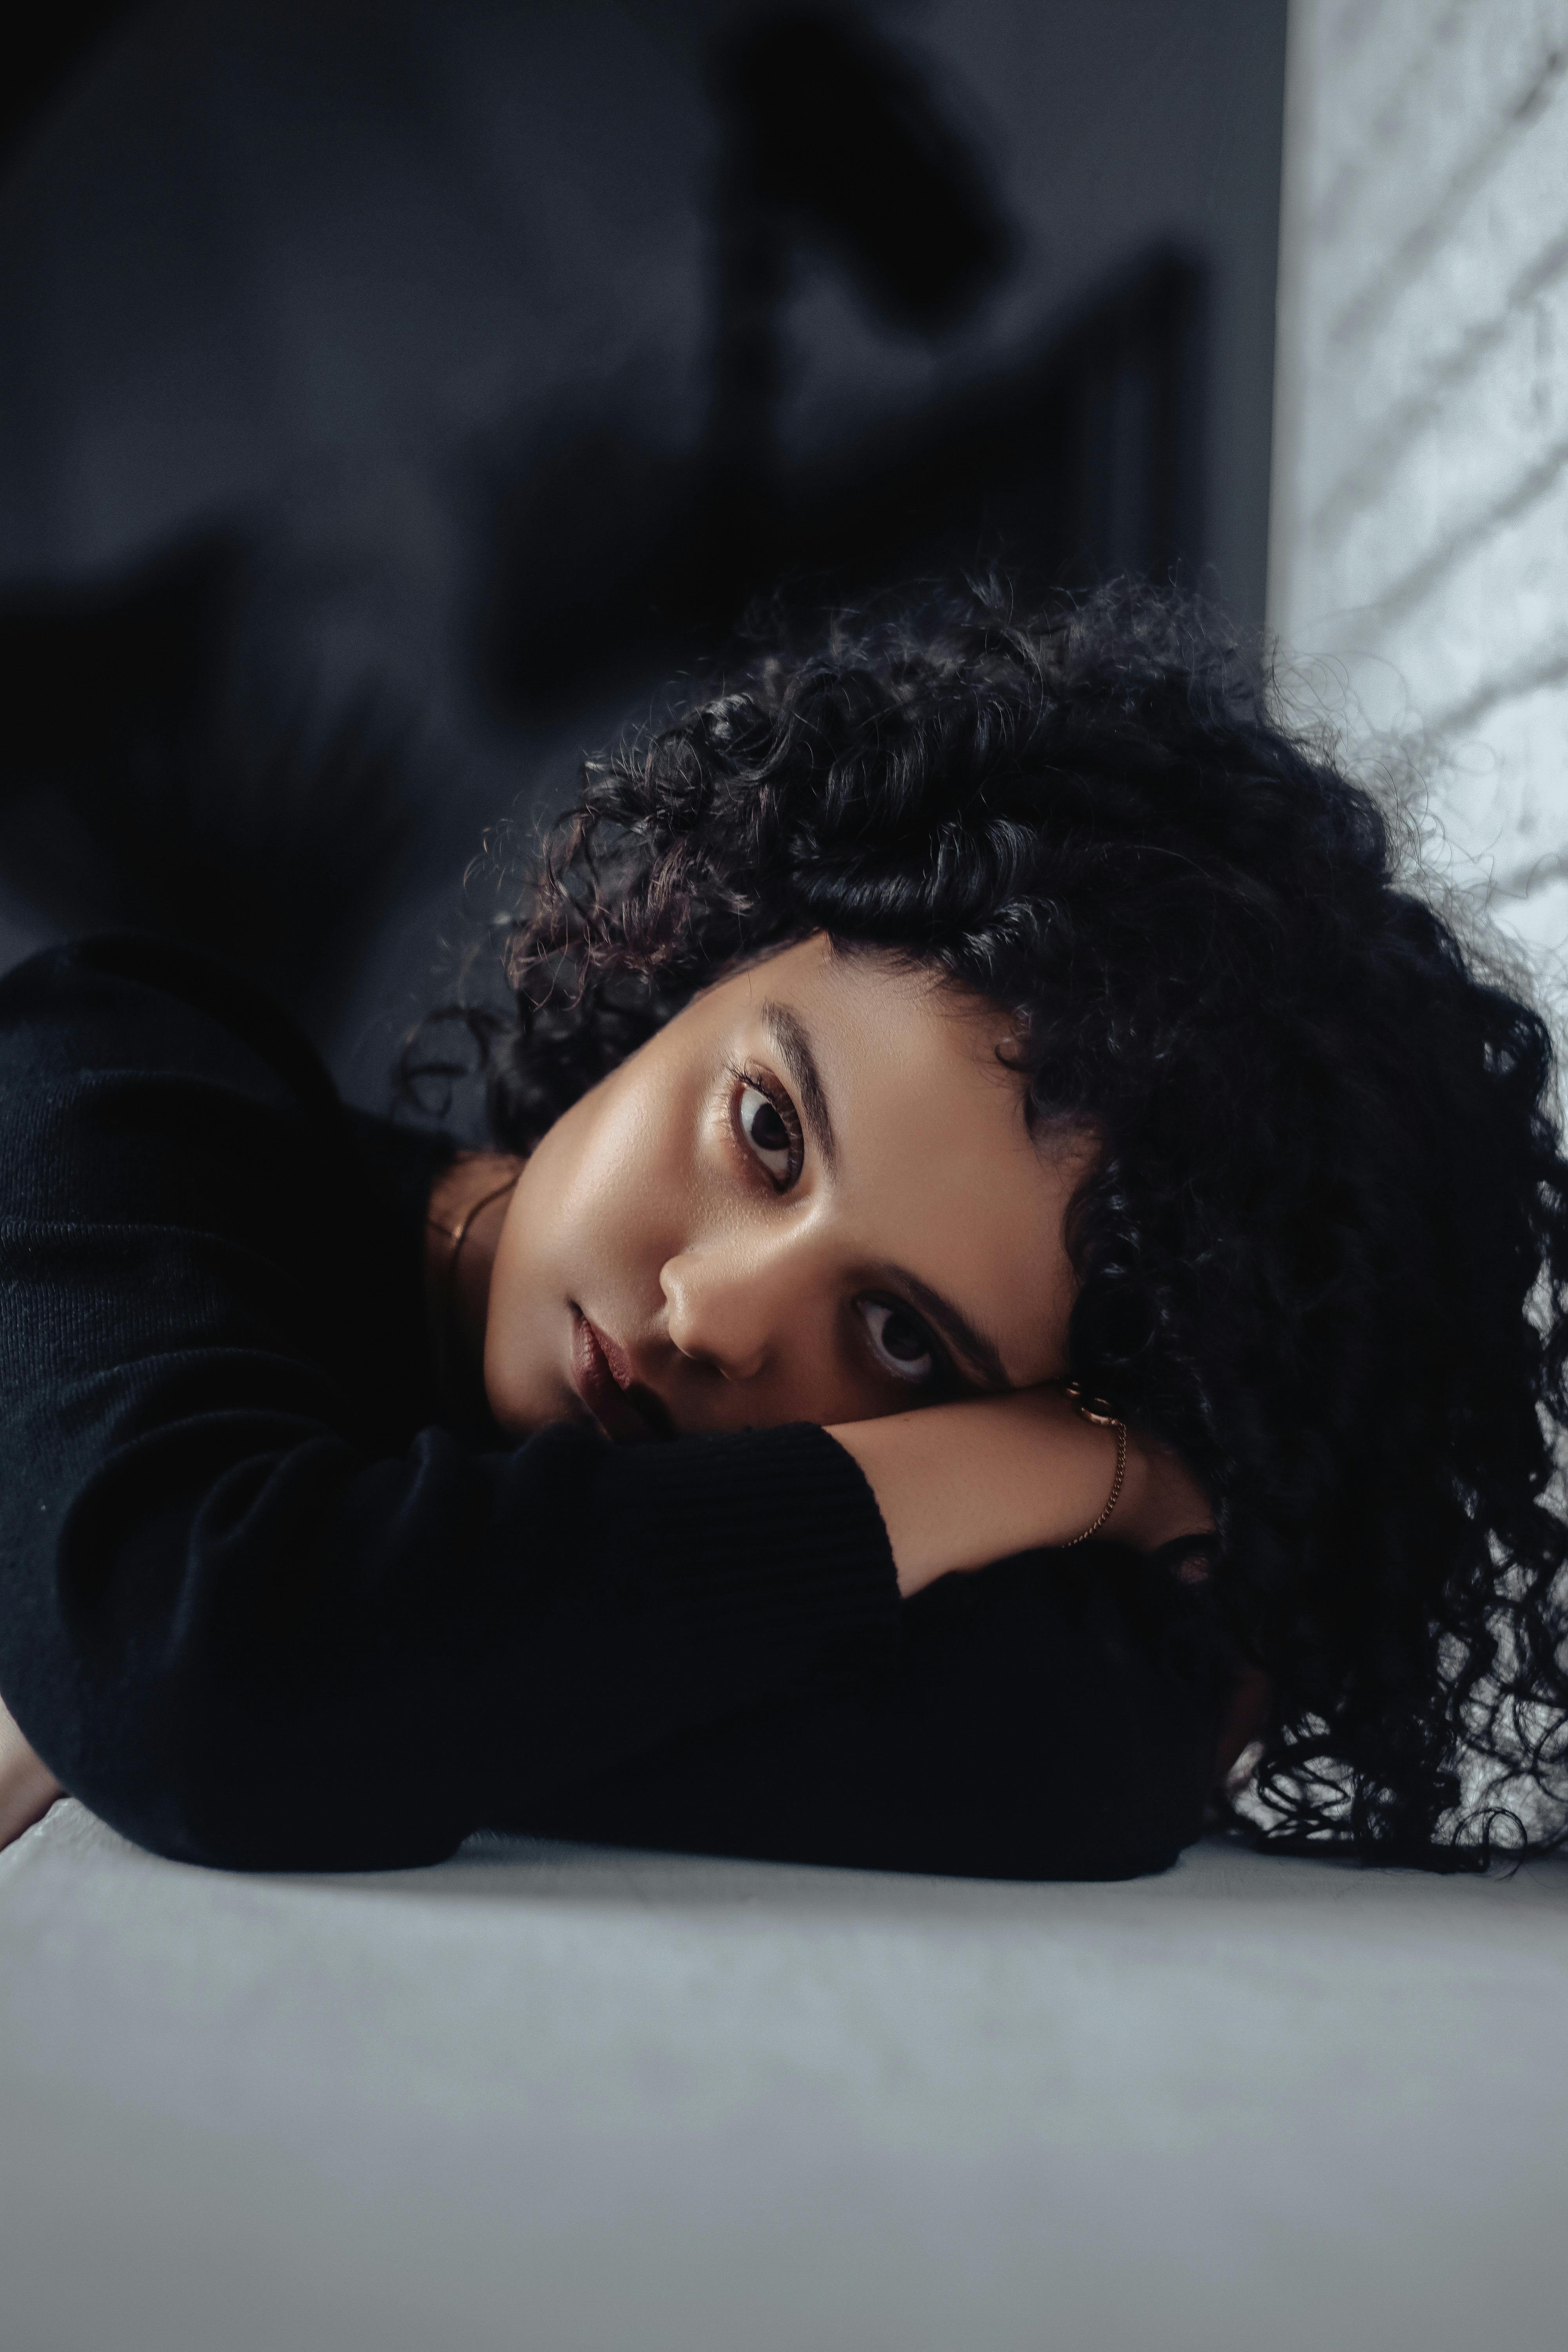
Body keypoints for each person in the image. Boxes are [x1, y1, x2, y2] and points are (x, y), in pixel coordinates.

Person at [0, 584, 1563, 1877]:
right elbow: (207, 1676)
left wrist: (1063, 1457)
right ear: (704, 957)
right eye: (767, 1131)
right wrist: (1056, 1457)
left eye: (902, 1338)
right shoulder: (116, 1083)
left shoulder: (767, 1566)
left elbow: (1107, 1746)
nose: (719, 1318)